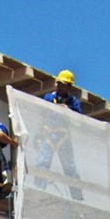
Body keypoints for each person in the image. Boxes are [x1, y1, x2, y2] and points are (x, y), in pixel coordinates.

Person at [35, 69, 84, 200]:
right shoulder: (49, 98)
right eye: (59, 84)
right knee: (42, 162)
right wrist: (37, 135)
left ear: (68, 87)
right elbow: (42, 116)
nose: (60, 87)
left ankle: (77, 197)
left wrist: (68, 111)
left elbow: (79, 121)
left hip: (64, 137)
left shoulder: (73, 102)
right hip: (48, 135)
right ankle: (39, 190)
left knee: (70, 168)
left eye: (64, 85)